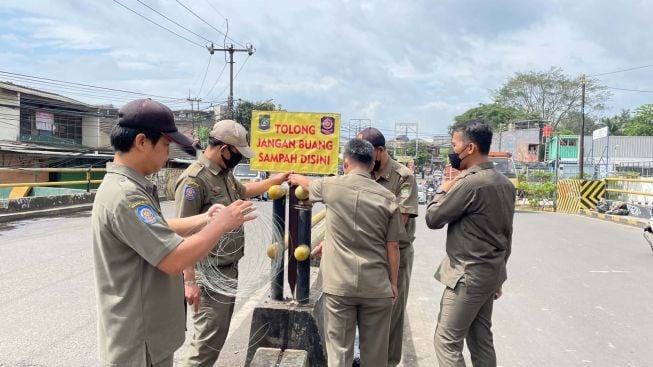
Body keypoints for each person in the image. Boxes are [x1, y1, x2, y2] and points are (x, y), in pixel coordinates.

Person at [92, 99, 255, 367]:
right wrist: (220, 224)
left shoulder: (132, 187)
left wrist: (206, 217)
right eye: (166, 145)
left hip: (149, 338)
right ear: (142, 141)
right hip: (138, 345)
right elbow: (174, 259)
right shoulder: (126, 195)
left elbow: (158, 228)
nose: (168, 153)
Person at [175, 119, 290, 367]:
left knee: (215, 338)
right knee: (206, 342)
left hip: (227, 268)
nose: (239, 159)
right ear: (223, 149)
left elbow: (245, 190)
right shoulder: (195, 180)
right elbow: (184, 234)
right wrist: (189, 281)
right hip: (208, 273)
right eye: (237, 154)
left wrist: (277, 180)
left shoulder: (224, 175)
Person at [289, 138, 403, 367]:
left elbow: (307, 184)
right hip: (376, 285)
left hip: (339, 285)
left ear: (345, 163)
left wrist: (293, 177)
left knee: (339, 354)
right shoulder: (388, 198)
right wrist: (392, 283)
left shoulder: (332, 186)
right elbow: (393, 246)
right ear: (372, 165)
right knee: (375, 355)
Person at [425, 119, 515, 367]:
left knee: (446, 340)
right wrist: (498, 276)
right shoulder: (504, 184)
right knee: (480, 339)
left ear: (470, 148)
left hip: (467, 275)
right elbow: (506, 235)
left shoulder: (469, 184)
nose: (452, 151)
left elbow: (433, 218)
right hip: (489, 274)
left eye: (454, 145)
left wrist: (442, 191)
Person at [357, 127, 418, 367]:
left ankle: (389, 363)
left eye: (367, 153)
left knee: (392, 314)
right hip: (367, 253)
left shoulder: (403, 177)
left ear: (380, 151)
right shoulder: (363, 172)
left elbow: (399, 222)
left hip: (396, 254)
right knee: (364, 312)